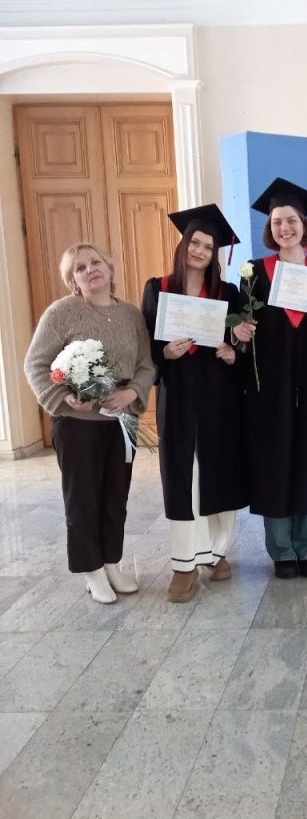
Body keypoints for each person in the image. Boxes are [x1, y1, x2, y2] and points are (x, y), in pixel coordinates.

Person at [233, 178, 307, 579]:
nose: (285, 228)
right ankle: (282, 551)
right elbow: (243, 331)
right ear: (271, 228)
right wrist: (240, 332)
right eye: (277, 222)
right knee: (274, 461)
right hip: (270, 389)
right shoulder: (254, 275)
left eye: (292, 221)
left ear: (304, 225)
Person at [24, 243, 155, 604]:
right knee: (82, 498)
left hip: (122, 420)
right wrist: (64, 397)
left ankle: (112, 562)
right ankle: (91, 570)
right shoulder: (61, 313)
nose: (90, 269)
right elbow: (35, 364)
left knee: (116, 494)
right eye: (80, 268)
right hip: (77, 421)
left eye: (96, 262)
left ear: (109, 269)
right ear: (73, 280)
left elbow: (146, 364)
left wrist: (132, 394)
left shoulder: (130, 314)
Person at [141, 205, 248, 603]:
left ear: (215, 253)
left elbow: (243, 349)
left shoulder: (228, 294)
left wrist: (234, 353)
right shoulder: (158, 288)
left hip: (219, 397)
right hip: (179, 395)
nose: (200, 251)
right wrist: (165, 353)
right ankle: (184, 564)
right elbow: (146, 347)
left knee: (218, 472)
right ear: (184, 244)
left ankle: (216, 553)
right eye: (195, 243)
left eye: (208, 246)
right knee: (183, 476)